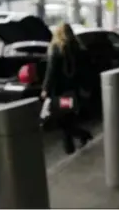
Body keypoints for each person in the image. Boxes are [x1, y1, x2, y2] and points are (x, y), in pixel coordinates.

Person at [41, 23, 93, 155]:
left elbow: (51, 71)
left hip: (60, 93)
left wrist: (45, 88)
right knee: (67, 118)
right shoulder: (78, 48)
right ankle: (75, 143)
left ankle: (78, 140)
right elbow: (85, 71)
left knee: (63, 121)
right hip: (73, 92)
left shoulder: (56, 48)